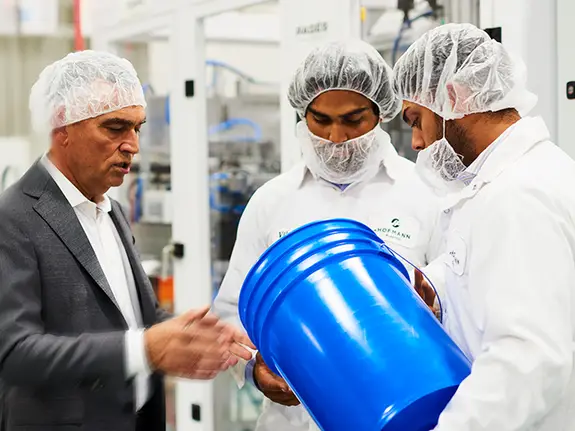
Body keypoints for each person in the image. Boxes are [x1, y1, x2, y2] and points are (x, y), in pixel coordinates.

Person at [0, 50, 254, 431]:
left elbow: (136, 318)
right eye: (115, 127)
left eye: (137, 128)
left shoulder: (111, 211)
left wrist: (197, 336)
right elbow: (14, 353)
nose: (132, 145)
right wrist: (144, 349)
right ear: (61, 127)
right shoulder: (14, 216)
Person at [213, 39, 443, 431]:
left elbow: (458, 310)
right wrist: (255, 371)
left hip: (400, 410)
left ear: (380, 113)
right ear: (302, 116)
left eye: (353, 120)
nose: (337, 137)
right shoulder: (271, 201)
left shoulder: (426, 193)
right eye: (321, 120)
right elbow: (233, 313)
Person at [393, 23, 575, 430]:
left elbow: (527, 361)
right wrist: (438, 290)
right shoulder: (507, 181)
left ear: (454, 97)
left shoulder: (518, 194)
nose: (417, 142)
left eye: (416, 120)